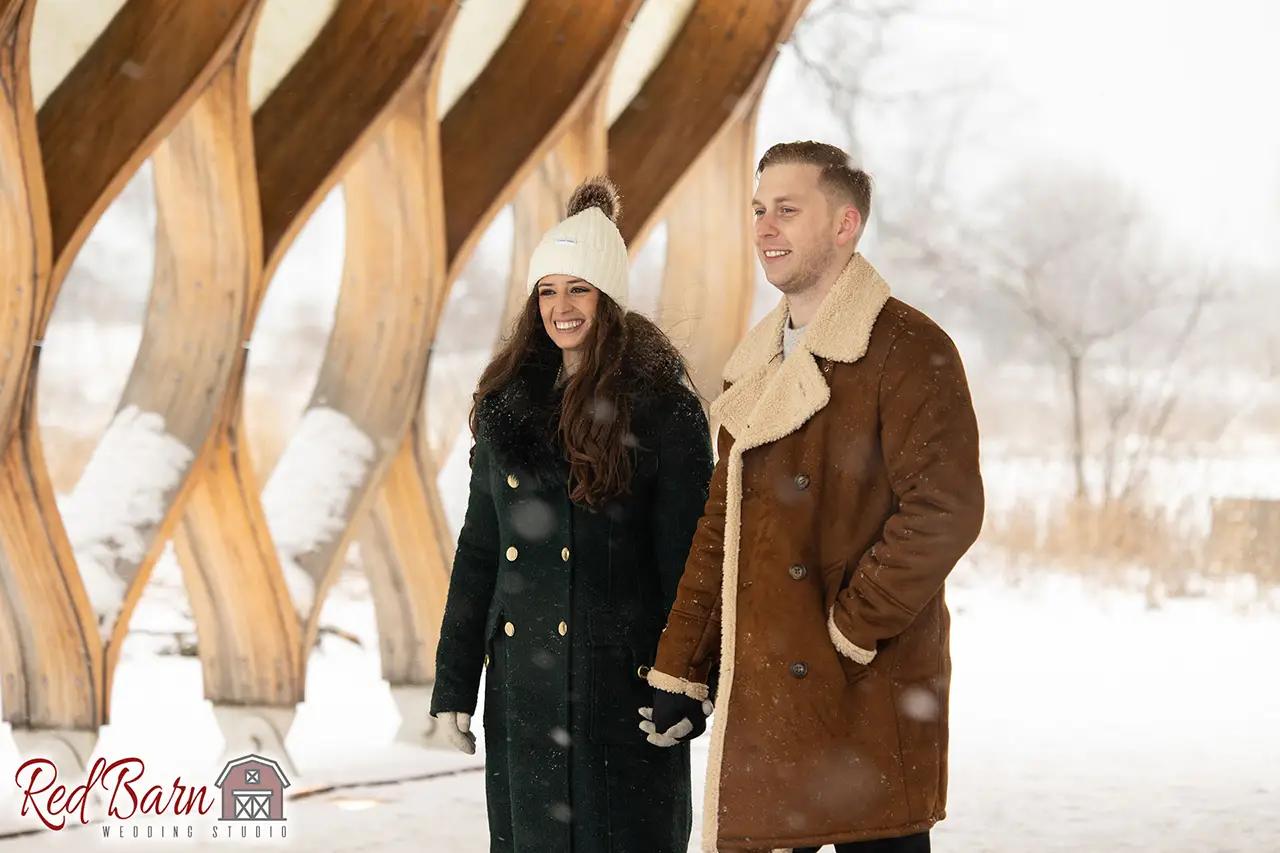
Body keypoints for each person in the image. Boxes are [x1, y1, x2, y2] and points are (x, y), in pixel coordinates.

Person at [638, 141, 985, 853]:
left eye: (787, 210)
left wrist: (850, 629)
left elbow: (944, 510)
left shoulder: (908, 348)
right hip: (769, 702)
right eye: (758, 210)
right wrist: (681, 667)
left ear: (844, 224)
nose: (765, 227)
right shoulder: (754, 365)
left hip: (870, 695)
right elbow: (723, 528)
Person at [429, 177, 713, 852]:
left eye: (578, 289)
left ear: (608, 297)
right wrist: (454, 684)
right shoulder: (505, 406)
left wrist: (688, 680)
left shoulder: (663, 408)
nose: (561, 307)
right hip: (523, 690)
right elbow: (480, 551)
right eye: (547, 291)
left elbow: (691, 561)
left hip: (623, 689)